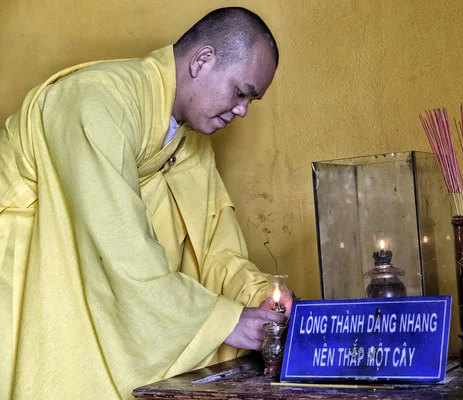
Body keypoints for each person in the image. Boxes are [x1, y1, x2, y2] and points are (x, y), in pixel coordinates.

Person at [0, 7, 293, 399]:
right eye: (240, 92)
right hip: (31, 274)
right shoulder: (95, 101)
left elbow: (215, 248)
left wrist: (257, 295)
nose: (242, 110)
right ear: (202, 60)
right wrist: (226, 322)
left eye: (251, 101)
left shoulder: (190, 141)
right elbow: (119, 253)